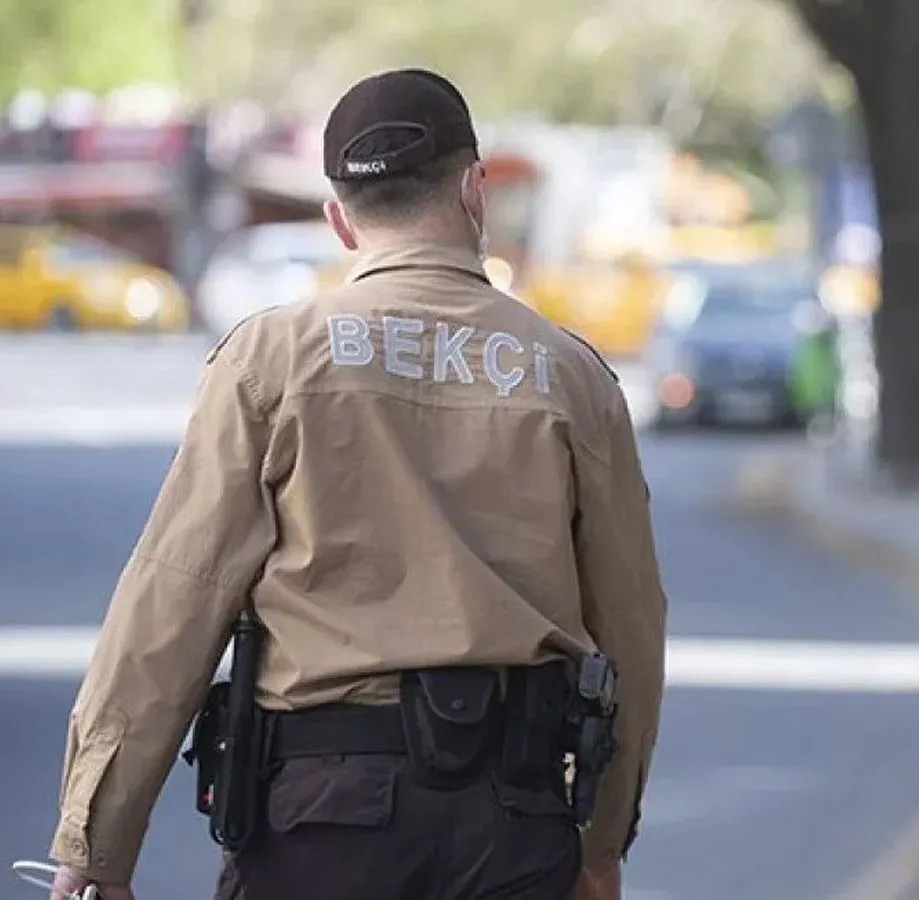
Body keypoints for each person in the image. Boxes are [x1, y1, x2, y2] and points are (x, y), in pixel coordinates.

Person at [48, 68, 667, 900]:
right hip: (512, 825)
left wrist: (97, 847)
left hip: (322, 823)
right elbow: (630, 623)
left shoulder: (271, 361)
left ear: (339, 220)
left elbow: (175, 599)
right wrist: (599, 845)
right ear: (474, 191)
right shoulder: (571, 377)